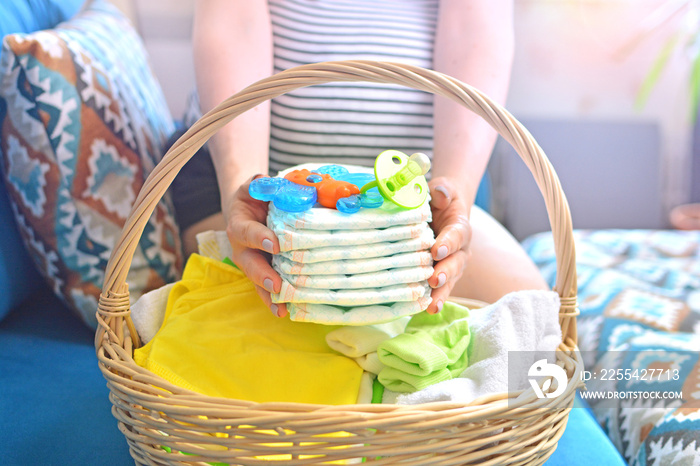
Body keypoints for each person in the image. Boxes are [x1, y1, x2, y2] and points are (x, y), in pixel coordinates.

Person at [179, 0, 548, 318]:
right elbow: (235, 22)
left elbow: (475, 28)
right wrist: (242, 191)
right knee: (259, 338)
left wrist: (454, 191)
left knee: (535, 319)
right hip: (243, 184)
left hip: (409, 206)